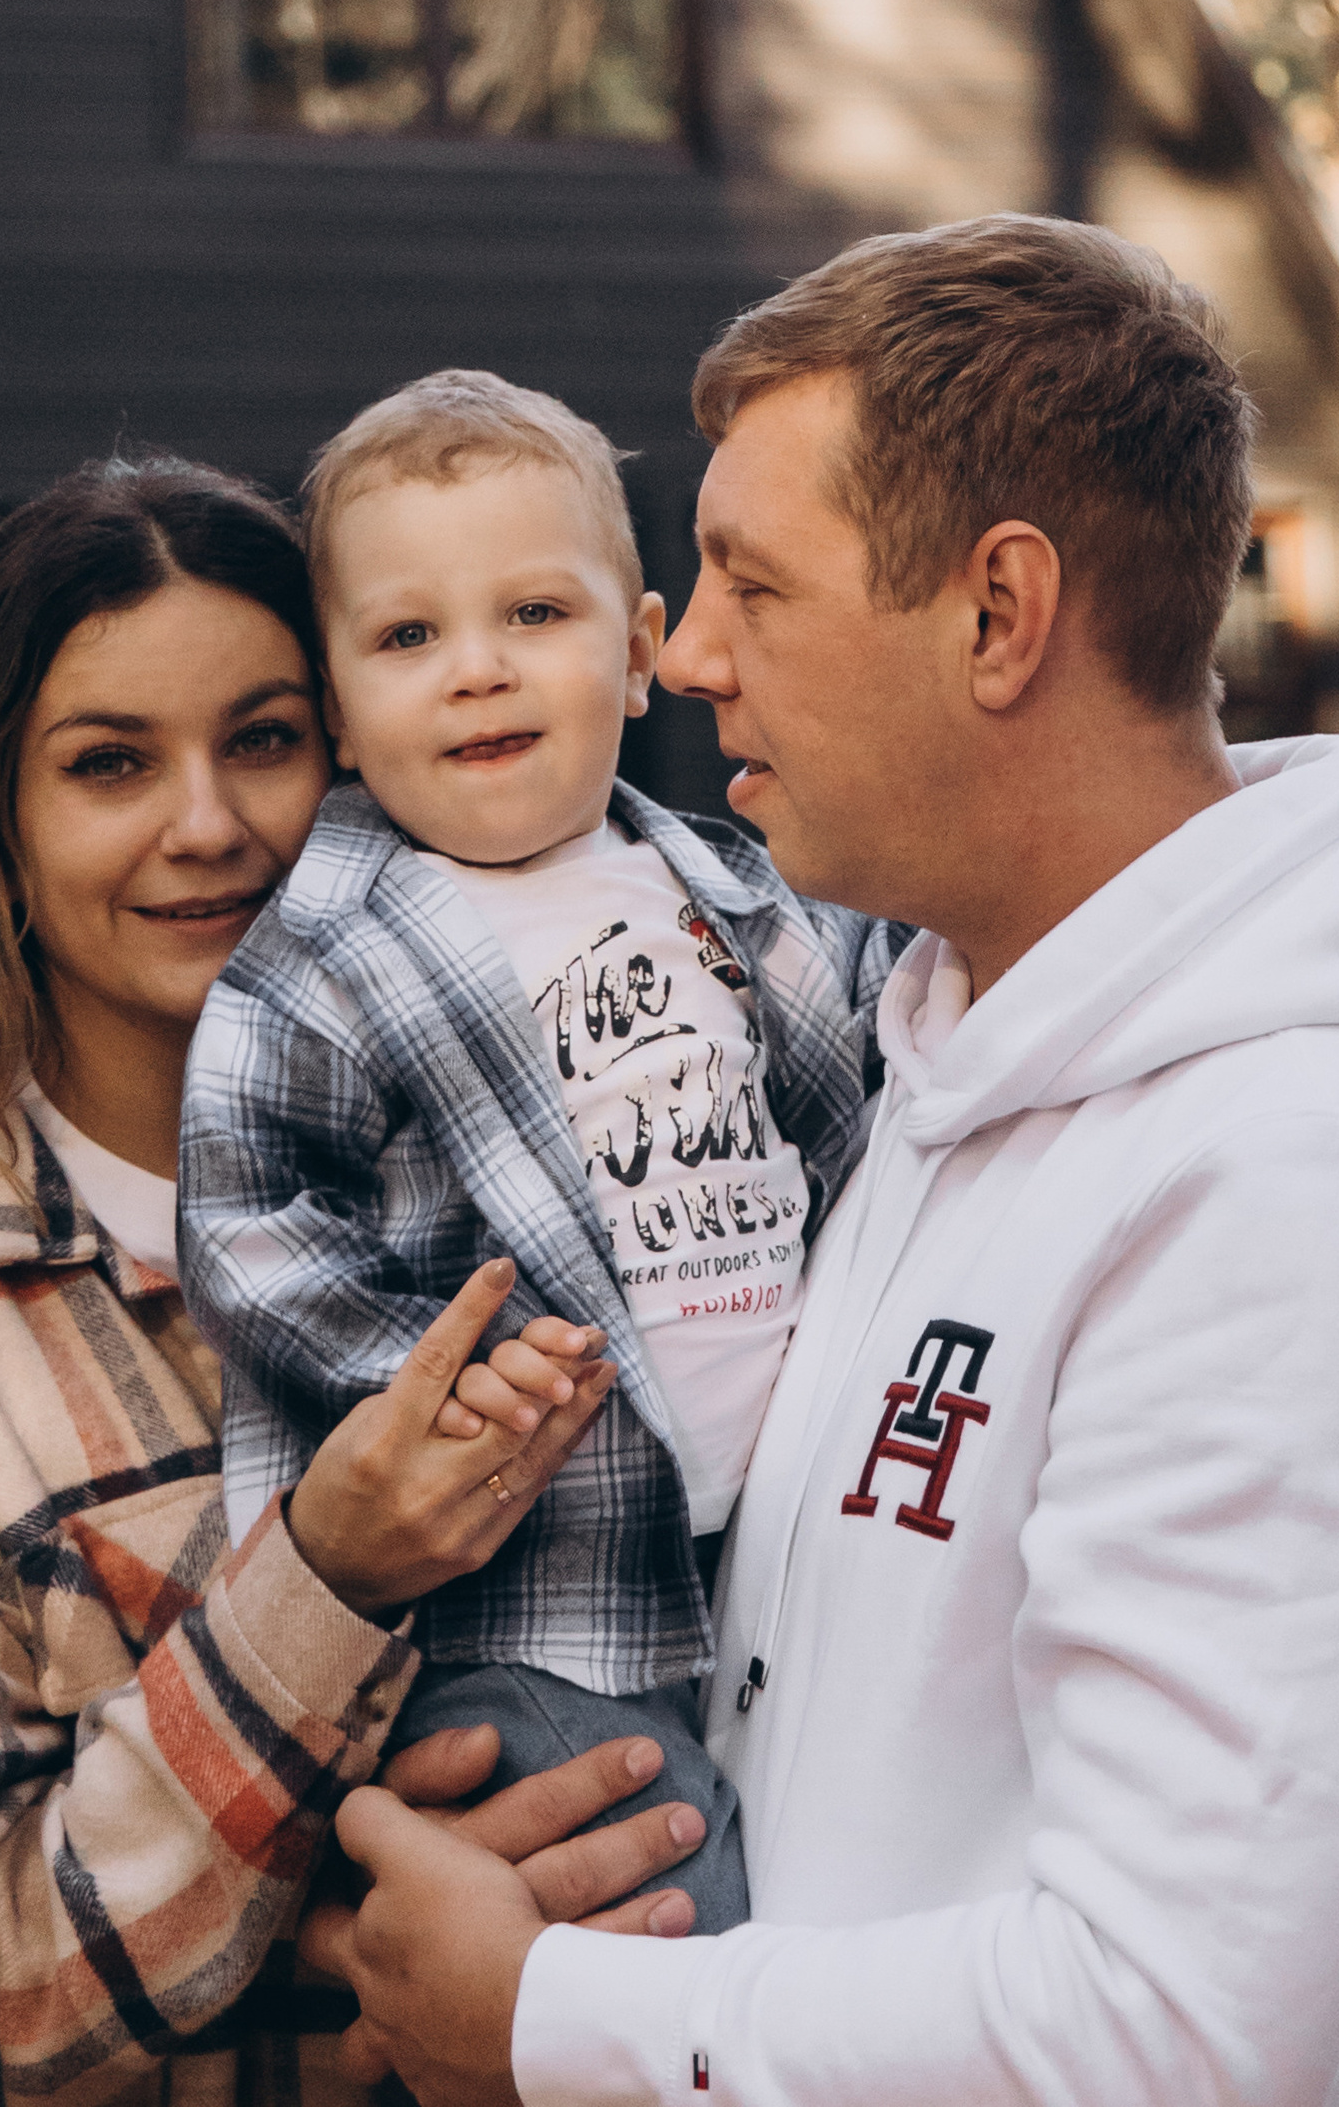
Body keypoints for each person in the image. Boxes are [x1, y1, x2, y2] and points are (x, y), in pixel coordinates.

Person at [318, 219, 1339, 2107]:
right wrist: (566, 1862)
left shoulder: (1304, 1188)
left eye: (752, 582)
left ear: (999, 614)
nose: (687, 656)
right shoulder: (936, 1057)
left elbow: (1172, 2033)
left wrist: (555, 2026)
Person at [0, 455, 709, 2107]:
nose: (210, 826)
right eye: (112, 764)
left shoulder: (584, 1161)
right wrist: (321, 1598)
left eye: (264, 739)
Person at [178, 374, 901, 1938]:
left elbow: (869, 1100)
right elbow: (250, 1219)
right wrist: (429, 1374)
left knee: (845, 1875)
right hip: (527, 1602)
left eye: (532, 613)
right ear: (342, 705)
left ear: (641, 650)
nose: (477, 673)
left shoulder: (739, 898)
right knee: (677, 1897)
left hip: (770, 1558)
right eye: (407, 638)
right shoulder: (326, 957)